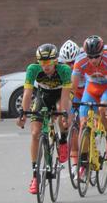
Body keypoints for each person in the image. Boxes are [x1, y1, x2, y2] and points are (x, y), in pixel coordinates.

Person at [16, 44, 72, 194]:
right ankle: (35, 176)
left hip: (60, 96)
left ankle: (63, 141)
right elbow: (28, 93)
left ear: (55, 61)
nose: (45, 66)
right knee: (35, 133)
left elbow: (65, 96)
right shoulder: (33, 69)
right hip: (43, 97)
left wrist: (64, 114)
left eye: (48, 62)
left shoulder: (64, 70)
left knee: (61, 113)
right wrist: (23, 113)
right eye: (42, 62)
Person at [72, 35, 107, 162]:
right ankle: (83, 161)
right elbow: (72, 88)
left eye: (96, 56)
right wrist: (69, 103)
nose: (93, 60)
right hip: (92, 88)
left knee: (104, 109)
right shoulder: (80, 61)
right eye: (90, 56)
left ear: (102, 53)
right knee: (83, 122)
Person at [58, 39, 82, 174]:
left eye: (73, 62)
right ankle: (74, 163)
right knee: (69, 122)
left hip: (85, 93)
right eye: (67, 63)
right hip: (71, 94)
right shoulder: (60, 68)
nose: (71, 65)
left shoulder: (84, 63)